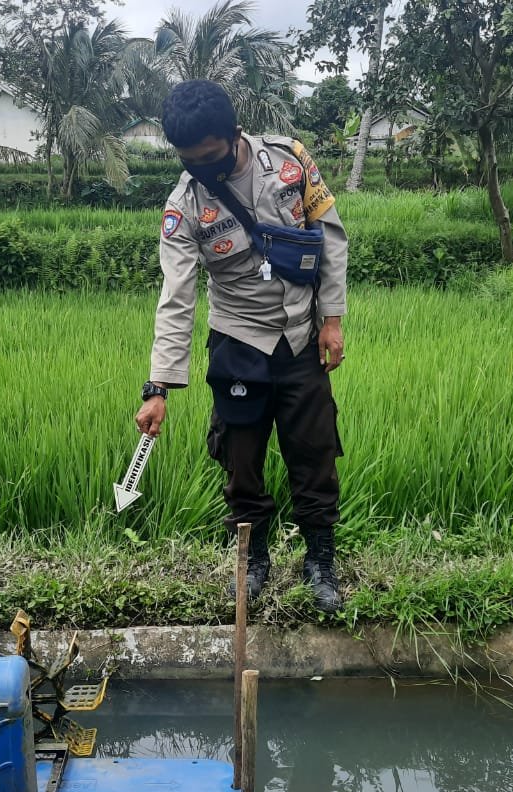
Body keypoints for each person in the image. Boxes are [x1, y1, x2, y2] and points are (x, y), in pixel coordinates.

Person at [134, 80, 349, 614]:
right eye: (189, 162)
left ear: (233, 136)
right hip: (238, 337)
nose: (201, 170)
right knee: (242, 460)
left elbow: (331, 238)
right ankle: (253, 561)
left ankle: (320, 561)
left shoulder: (291, 161)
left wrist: (333, 319)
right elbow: (176, 297)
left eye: (209, 158)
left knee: (314, 452)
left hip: (300, 334)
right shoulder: (183, 205)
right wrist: (158, 386)